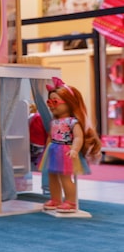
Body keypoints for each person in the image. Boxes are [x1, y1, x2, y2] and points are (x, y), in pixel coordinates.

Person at [39, 77, 101, 213]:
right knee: (52, 176)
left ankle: (70, 201)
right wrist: (47, 149)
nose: (51, 105)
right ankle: (55, 199)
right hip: (53, 150)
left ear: (69, 103)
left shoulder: (72, 122)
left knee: (65, 177)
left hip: (65, 150)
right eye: (49, 102)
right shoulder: (54, 121)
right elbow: (50, 136)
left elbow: (78, 137)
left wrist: (74, 149)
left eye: (55, 101)